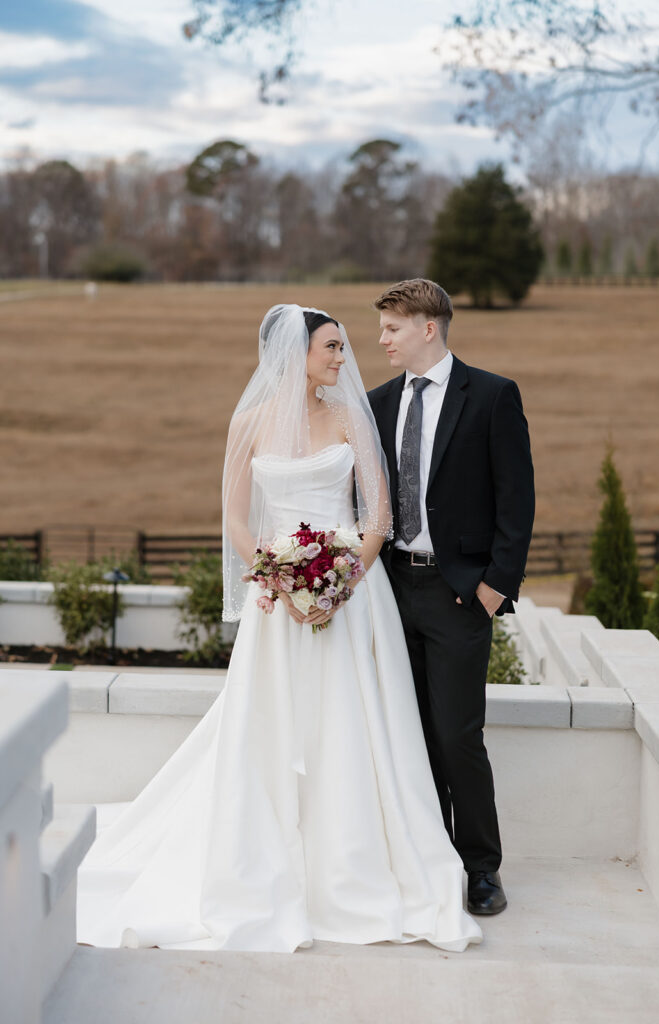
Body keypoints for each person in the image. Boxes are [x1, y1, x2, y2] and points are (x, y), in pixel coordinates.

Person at [76, 303, 482, 954]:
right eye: (331, 347)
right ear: (294, 355)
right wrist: (281, 578)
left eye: (343, 348)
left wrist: (339, 581)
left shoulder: (351, 418)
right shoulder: (248, 424)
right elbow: (235, 518)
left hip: (352, 595)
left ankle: (354, 864)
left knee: (352, 725)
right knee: (275, 725)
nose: (342, 359)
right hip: (278, 600)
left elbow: (379, 514)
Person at [368, 279, 535, 916]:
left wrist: (495, 587)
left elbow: (517, 499)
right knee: (407, 733)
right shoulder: (376, 402)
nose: (381, 339)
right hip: (389, 590)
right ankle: (425, 856)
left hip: (460, 592)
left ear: (427, 328)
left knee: (459, 735)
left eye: (392, 328)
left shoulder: (492, 396)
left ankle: (480, 869)